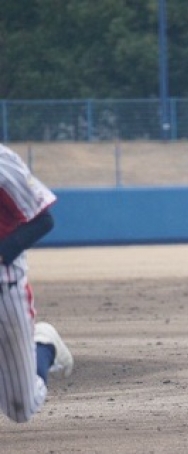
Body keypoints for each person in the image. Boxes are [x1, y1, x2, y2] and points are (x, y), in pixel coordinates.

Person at [0, 143, 74, 423]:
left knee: (21, 408)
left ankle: (44, 343)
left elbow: (42, 220)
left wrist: (3, 252)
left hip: (5, 290)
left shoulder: (3, 164)